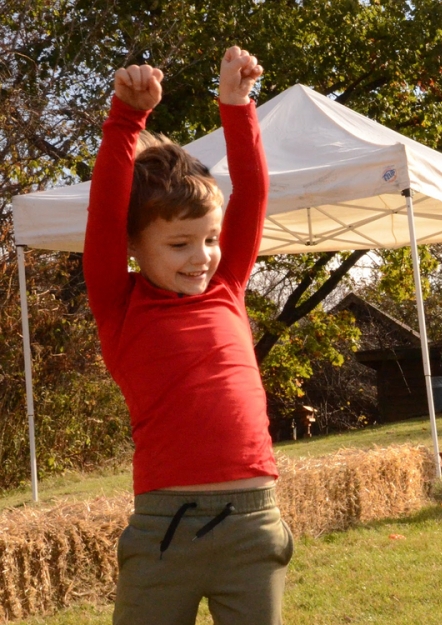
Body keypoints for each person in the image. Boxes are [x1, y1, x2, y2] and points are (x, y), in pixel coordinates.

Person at [85, 49, 293, 624]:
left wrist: (237, 105)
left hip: (253, 523)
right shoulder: (119, 305)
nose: (200, 257)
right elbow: (105, 214)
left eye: (209, 239)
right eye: (179, 244)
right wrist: (126, 120)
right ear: (135, 247)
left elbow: (252, 195)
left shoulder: (228, 285)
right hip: (161, 531)